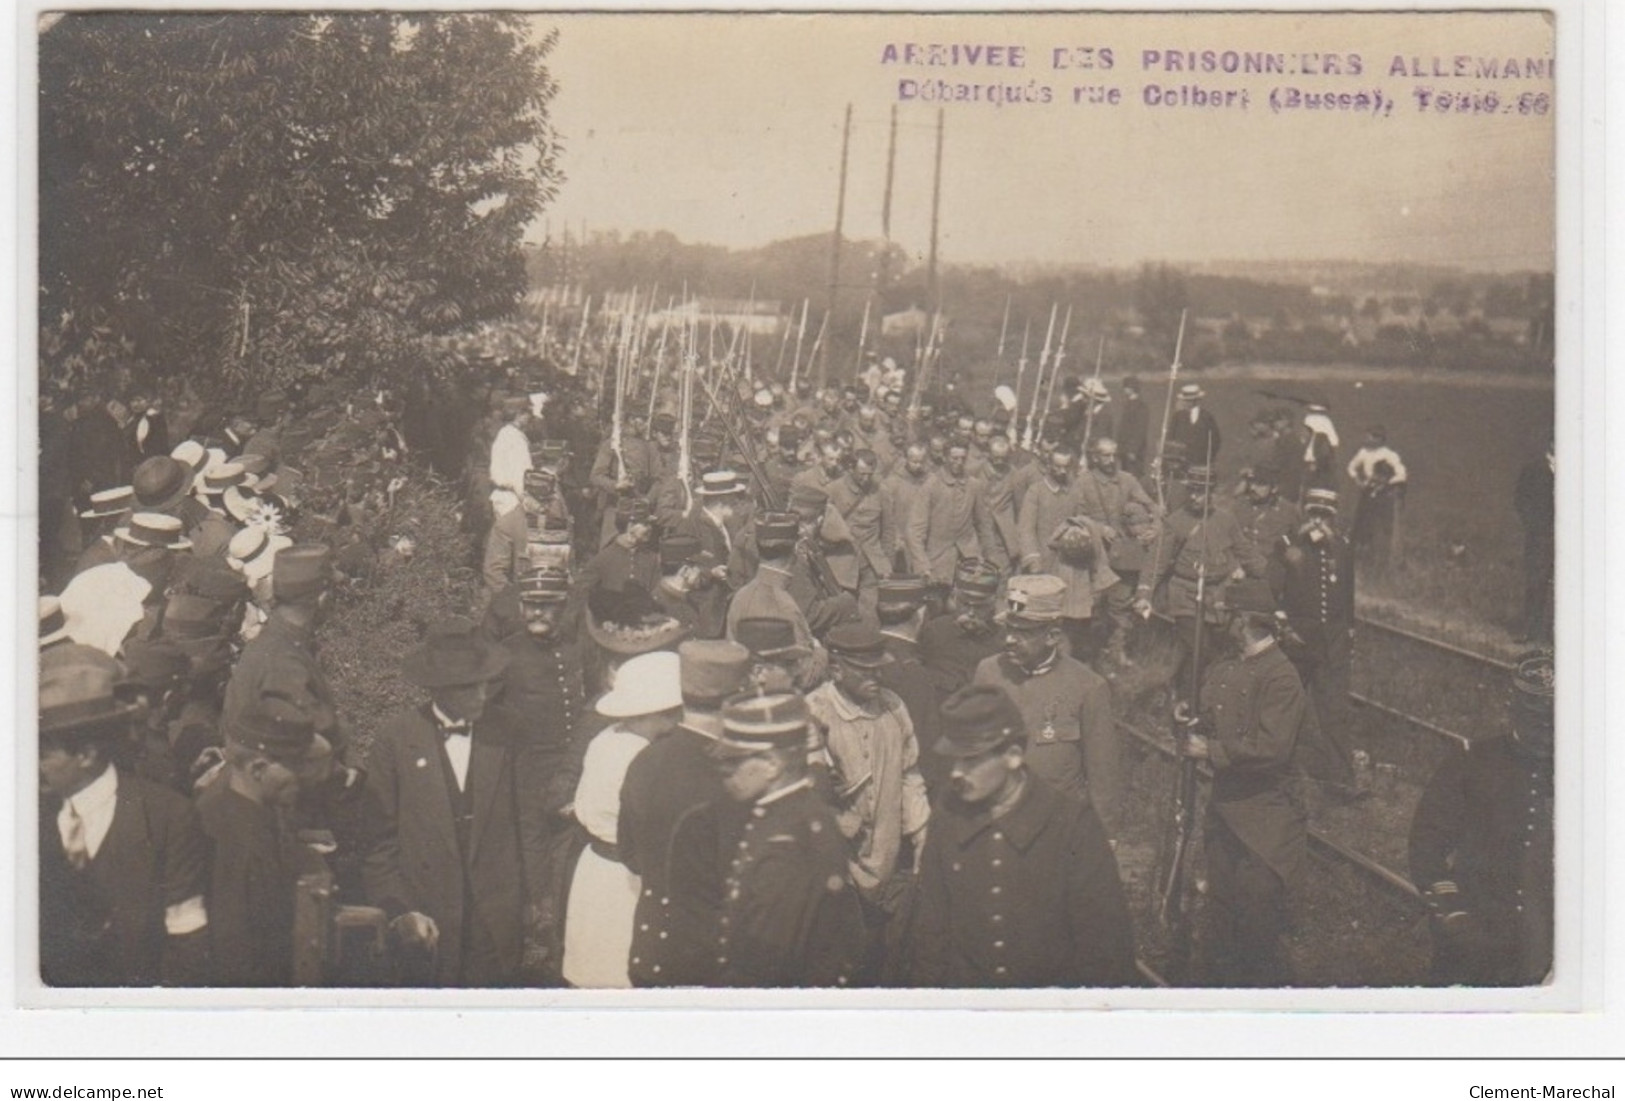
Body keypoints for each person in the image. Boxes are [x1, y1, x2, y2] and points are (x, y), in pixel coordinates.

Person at [905, 684, 1140, 988]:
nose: (956, 773)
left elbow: (1105, 947)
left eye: (971, 760)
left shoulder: (1072, 825)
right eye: (954, 760)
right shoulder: (947, 816)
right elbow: (931, 931)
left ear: (1013, 756)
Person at [361, 619, 534, 987]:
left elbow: (529, 821)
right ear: (439, 690)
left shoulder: (508, 730)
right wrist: (398, 908)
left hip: (494, 910)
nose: (482, 696)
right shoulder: (396, 739)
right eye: (469, 689)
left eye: (485, 683)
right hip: (429, 915)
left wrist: (535, 898)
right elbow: (378, 839)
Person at [38, 645, 211, 987]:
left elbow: (187, 946)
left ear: (86, 754)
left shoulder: (167, 818)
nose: (34, 766)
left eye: (44, 754)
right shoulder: (25, 817)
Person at [1175, 579, 1310, 986]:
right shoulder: (1226, 665)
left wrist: (1211, 750)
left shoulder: (1281, 677)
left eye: (1228, 614)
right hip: (1226, 812)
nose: (1220, 620)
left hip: (1267, 820)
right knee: (1221, 913)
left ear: (1249, 621)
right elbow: (1214, 713)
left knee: (1256, 923)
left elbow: (1272, 748)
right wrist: (1189, 715)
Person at [1408, 649, 1554, 986]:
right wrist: (1455, 913)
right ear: (1513, 712)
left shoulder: (1584, 770)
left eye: (1552, 724)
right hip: (1479, 933)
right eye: (1535, 722)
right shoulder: (1472, 763)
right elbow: (1426, 845)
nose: (1545, 735)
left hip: (1552, 943)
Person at [707, 691, 865, 987]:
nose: (725, 773)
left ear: (771, 764)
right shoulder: (793, 815)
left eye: (734, 762)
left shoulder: (788, 840)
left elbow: (766, 960)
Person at [620, 639, 750, 987]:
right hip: (712, 960)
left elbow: (630, 855)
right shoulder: (732, 776)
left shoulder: (644, 761)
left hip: (653, 950)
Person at [196, 676, 337, 986]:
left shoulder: (249, 813)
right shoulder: (229, 837)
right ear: (258, 769)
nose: (304, 777)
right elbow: (237, 957)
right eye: (296, 766)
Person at [561, 650, 684, 988]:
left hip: (595, 866)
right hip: (625, 875)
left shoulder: (606, 738)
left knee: (594, 965)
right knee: (620, 966)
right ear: (661, 713)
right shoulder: (643, 757)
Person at [972, 574, 1122, 842]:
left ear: (1053, 636)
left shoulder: (1088, 687)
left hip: (1058, 832)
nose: (1009, 639)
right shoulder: (988, 672)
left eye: (1023, 632)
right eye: (1009, 629)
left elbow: (1103, 777)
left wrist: (1106, 838)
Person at [807, 624, 931, 945]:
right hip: (838, 866)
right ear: (836, 669)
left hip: (887, 862)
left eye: (879, 669)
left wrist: (920, 832)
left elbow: (909, 774)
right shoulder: (815, 711)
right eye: (865, 671)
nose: (876, 678)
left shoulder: (893, 707)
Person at [1278, 488, 1359, 791]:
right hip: (1298, 639)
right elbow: (1276, 588)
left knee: (1335, 710)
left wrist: (1350, 630)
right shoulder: (1288, 545)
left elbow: (1347, 594)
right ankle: (1277, 772)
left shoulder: (1343, 547)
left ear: (1333, 519)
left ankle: (1341, 782)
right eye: (1313, 514)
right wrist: (1284, 626)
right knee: (1287, 705)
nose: (1317, 522)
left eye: (1324, 516)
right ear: (1304, 514)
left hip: (1332, 642)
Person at [1016, 442, 1117, 660]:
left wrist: (1099, 529)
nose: (1061, 471)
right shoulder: (1036, 491)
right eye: (1057, 467)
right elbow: (1025, 529)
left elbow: (1084, 518)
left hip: (1068, 563)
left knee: (1067, 618)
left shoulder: (1075, 490)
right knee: (1036, 614)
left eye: (1065, 467)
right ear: (1048, 466)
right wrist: (1033, 560)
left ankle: (1064, 658)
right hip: (1042, 563)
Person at [1073, 436, 1160, 666]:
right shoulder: (1083, 482)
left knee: (1120, 605)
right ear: (1094, 457)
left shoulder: (1127, 480)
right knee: (1091, 606)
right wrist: (1099, 528)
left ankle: (1116, 651)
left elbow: (1152, 506)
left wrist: (1154, 527)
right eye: (1105, 455)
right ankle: (1085, 654)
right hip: (1093, 554)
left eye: (1114, 455)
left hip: (1123, 555)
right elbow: (1077, 515)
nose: (1111, 460)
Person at [905, 440, 993, 586]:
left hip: (969, 561)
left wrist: (989, 559)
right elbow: (915, 531)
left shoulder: (974, 485)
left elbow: (984, 525)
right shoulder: (931, 485)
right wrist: (922, 564)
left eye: (962, 459)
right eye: (954, 458)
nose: (959, 462)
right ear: (945, 457)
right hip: (937, 560)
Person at [918, 557, 1004, 685]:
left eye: (979, 607)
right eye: (965, 604)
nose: (971, 613)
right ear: (954, 598)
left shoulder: (1002, 640)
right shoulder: (935, 631)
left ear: (992, 605)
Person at [1345, 425, 1408, 575]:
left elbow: (1402, 474)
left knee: (1380, 527)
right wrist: (1358, 480)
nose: (1367, 440)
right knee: (1361, 524)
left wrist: (1386, 483)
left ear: (1379, 439)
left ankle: (1379, 562)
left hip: (1383, 495)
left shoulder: (1389, 455)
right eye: (1367, 436)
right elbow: (1351, 467)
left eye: (1371, 437)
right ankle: (1361, 559)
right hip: (1367, 492)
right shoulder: (1363, 452)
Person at [1512, 437, 1555, 644]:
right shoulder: (1535, 469)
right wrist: (1534, 525)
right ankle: (1529, 630)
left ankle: (1554, 634)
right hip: (1541, 535)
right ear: (1552, 444)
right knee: (1536, 582)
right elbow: (1521, 498)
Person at [879, 443, 933, 575]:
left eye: (921, 462)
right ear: (906, 459)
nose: (918, 465)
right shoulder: (892, 483)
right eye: (914, 462)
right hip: (900, 541)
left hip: (924, 539)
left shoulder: (931, 481)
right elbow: (888, 515)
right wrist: (896, 537)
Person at [1166, 382, 1221, 465]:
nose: (1188, 403)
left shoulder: (1207, 417)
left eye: (1191, 400)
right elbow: (1170, 438)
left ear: (1197, 401)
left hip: (1202, 462)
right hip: (1180, 463)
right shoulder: (1177, 417)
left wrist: (1209, 458)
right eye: (1186, 400)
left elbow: (1216, 440)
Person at [1113, 376, 1150, 475]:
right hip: (1124, 449)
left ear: (1131, 389)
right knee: (1124, 475)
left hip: (1134, 451)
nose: (1124, 390)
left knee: (1133, 475)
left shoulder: (1141, 407)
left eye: (1126, 387)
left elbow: (1140, 431)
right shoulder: (1128, 404)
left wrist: (1133, 450)